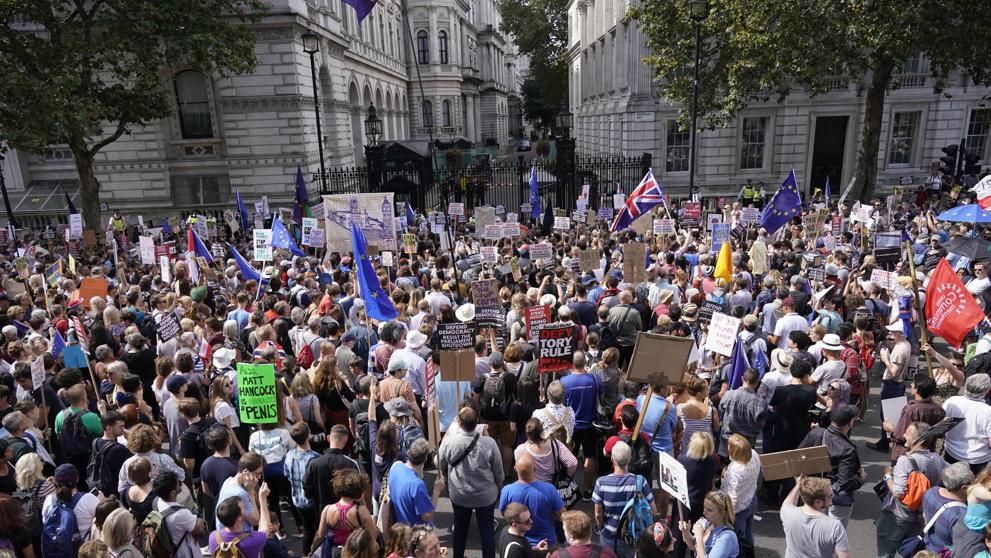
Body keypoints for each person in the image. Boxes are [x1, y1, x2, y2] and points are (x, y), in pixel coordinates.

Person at [438, 406, 503, 558]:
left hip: (459, 494)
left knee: (460, 529)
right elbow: (499, 472)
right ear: (477, 422)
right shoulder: (490, 443)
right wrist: (500, 489)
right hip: (485, 496)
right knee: (487, 531)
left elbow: (438, 463)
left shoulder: (448, 442)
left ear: (458, 422)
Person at [875, 422, 947, 558]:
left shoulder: (905, 461)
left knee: (885, 552)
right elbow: (954, 473)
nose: (903, 435)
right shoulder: (937, 459)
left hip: (898, 515)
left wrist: (888, 476)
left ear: (917, 440)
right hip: (920, 516)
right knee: (911, 552)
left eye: (907, 433)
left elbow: (898, 492)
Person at [798, 405, 864, 527]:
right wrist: (861, 479)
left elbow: (799, 457)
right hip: (836, 498)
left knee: (813, 529)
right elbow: (845, 483)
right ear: (850, 424)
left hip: (815, 491)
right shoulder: (847, 449)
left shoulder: (816, 433)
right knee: (834, 536)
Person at [592, 440, 656, 555]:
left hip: (608, 535)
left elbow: (598, 514)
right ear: (630, 458)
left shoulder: (601, 483)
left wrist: (601, 528)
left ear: (612, 459)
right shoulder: (640, 481)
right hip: (631, 536)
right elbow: (654, 511)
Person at [499, 453, 565, 554]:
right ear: (535, 468)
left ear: (515, 469)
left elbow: (504, 513)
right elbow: (562, 515)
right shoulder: (549, 489)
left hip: (520, 544)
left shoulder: (507, 490)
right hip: (547, 544)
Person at [559, 352, 601, 500]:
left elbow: (561, 402)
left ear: (572, 364)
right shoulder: (594, 379)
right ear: (585, 363)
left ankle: (567, 489)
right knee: (589, 456)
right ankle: (588, 489)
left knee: (569, 457)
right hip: (589, 425)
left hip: (571, 427)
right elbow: (600, 394)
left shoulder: (564, 381)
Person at [867, 323, 913, 453]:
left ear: (901, 333)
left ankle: (886, 442)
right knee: (891, 414)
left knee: (887, 416)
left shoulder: (900, 350)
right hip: (897, 384)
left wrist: (885, 358)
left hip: (892, 384)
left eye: (893, 331)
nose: (890, 333)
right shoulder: (905, 345)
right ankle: (887, 441)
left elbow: (894, 372)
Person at [779, 476, 851, 558]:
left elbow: (787, 503)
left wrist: (798, 485)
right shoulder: (835, 526)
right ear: (818, 502)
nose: (832, 497)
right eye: (830, 496)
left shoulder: (788, 513)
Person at [311, 469, 377, 557]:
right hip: (356, 552)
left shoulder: (327, 510)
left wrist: (312, 549)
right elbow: (373, 535)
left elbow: (319, 536)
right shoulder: (361, 511)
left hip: (335, 552)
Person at [882, 373, 944, 463]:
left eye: (913, 384)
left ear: (917, 389)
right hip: (927, 454)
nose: (911, 385)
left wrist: (891, 429)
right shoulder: (939, 410)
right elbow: (940, 433)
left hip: (906, 455)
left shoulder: (911, 409)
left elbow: (901, 436)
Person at [674, 432, 718, 558]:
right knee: (700, 534)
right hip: (702, 503)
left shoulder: (683, 459)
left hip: (685, 503)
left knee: (682, 534)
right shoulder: (713, 460)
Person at [41, 464, 100, 553]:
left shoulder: (49, 500)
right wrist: (102, 500)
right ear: (77, 479)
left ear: (56, 482)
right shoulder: (89, 499)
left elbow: (46, 522)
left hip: (58, 551)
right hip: (84, 552)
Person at [941, 373, 991, 474]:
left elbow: (940, 426)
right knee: (973, 488)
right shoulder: (988, 411)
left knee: (951, 485)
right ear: (987, 390)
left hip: (952, 453)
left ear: (967, 385)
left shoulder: (952, 401)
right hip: (978, 460)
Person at [305, 424, 359, 514]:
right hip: (345, 516)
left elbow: (307, 489)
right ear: (345, 441)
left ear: (328, 438)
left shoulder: (314, 463)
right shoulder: (351, 464)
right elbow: (357, 492)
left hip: (321, 514)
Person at [387, 438, 443, 526]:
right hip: (415, 534)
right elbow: (427, 516)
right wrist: (436, 492)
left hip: (399, 529)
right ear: (424, 460)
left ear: (409, 452)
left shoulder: (396, 467)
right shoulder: (417, 485)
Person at [209, 485, 273, 558]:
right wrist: (262, 498)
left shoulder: (213, 537)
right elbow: (266, 527)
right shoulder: (252, 540)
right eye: (243, 508)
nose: (245, 509)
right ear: (239, 518)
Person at [922, 462, 972, 554]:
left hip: (927, 548)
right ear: (964, 487)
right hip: (942, 554)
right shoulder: (961, 514)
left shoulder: (931, 492)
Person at [285, 421, 320, 552]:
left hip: (298, 500)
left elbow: (287, 475)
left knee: (308, 531)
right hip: (313, 502)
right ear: (308, 436)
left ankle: (306, 554)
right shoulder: (315, 459)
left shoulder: (289, 455)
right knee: (317, 531)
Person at [153, 470, 204, 558]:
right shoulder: (180, 514)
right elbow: (200, 531)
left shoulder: (156, 501)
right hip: (184, 553)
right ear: (172, 493)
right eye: (178, 483)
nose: (181, 483)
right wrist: (199, 520)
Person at [717, 369, 765, 459]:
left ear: (742, 378)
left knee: (724, 470)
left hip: (727, 442)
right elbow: (762, 424)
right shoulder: (761, 403)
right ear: (757, 382)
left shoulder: (728, 395)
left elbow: (721, 412)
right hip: (747, 444)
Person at [721, 435, 760, 544]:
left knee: (738, 539)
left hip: (738, 510)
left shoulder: (734, 470)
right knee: (748, 532)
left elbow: (733, 495)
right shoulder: (754, 454)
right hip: (752, 499)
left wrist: (728, 514)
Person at [515, 418, 578, 484]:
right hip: (551, 485)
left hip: (531, 487)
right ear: (542, 431)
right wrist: (566, 479)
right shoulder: (555, 444)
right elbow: (573, 463)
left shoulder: (520, 450)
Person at [677, 491, 739, 558]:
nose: (704, 512)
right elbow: (692, 546)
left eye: (709, 510)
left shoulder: (726, 537)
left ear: (722, 513)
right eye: (704, 507)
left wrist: (699, 536)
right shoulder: (708, 524)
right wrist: (686, 532)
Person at [548, 510, 617, 558]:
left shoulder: (557, 555)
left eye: (564, 530)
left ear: (571, 536)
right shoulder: (608, 554)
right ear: (590, 532)